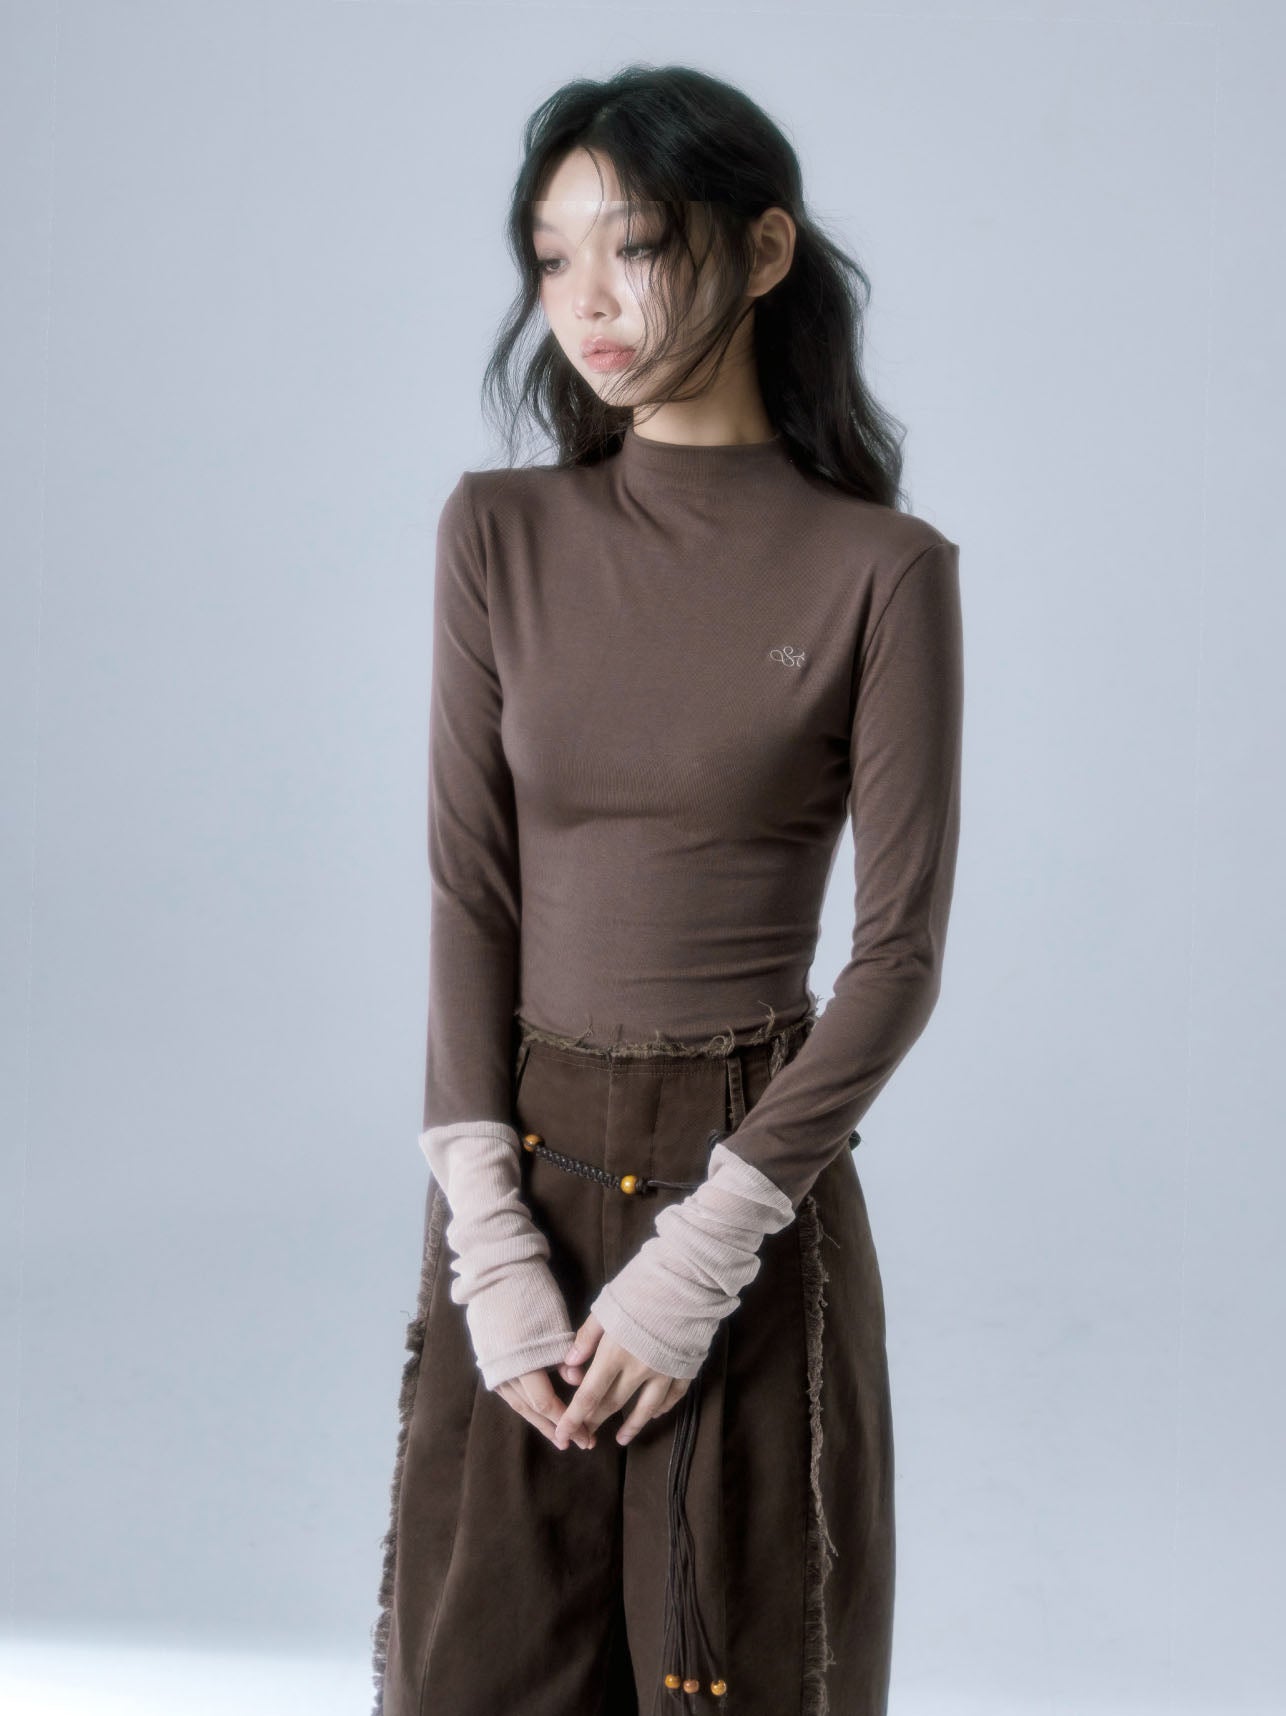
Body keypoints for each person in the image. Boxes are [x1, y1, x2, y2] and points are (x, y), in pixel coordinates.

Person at [370, 62, 963, 1716]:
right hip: (521, 1168)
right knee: (483, 1667)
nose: (587, 303)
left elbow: (898, 956)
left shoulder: (880, 572)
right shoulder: (499, 533)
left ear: (763, 250)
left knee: (742, 1669)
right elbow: (468, 889)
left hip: (748, 1188)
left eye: (633, 247)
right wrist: (488, 1239)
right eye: (551, 258)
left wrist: (703, 1254)